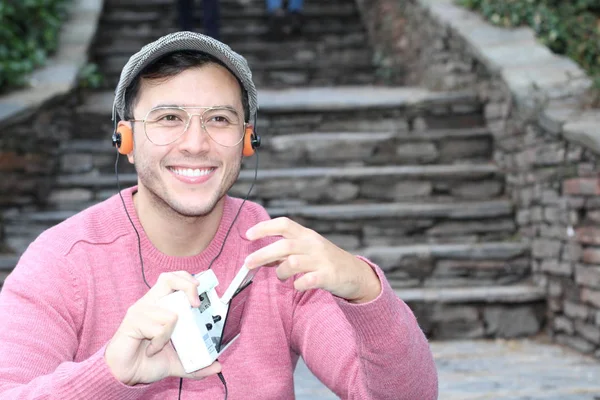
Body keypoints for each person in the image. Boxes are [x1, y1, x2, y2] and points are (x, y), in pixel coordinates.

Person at [0, 31, 438, 399]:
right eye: (169, 117)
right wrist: (109, 372)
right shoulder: (62, 262)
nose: (196, 143)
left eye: (219, 120)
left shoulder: (277, 258)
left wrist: (365, 290)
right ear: (125, 139)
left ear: (248, 141)